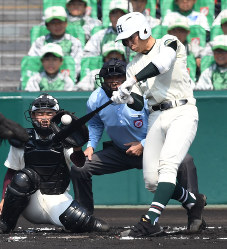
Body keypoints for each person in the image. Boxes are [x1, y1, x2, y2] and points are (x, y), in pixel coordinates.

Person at [71, 58, 200, 224]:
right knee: (80, 168)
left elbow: (160, 122)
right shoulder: (96, 98)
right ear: (103, 80)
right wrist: (90, 146)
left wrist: (143, 144)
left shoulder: (144, 95)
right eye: (109, 78)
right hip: (119, 151)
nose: (114, 81)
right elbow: (95, 123)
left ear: (127, 78)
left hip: (151, 148)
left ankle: (195, 214)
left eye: (119, 77)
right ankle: (84, 218)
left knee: (185, 161)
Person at [111, 12, 206, 237]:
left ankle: (149, 220)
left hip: (182, 111)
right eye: (124, 40)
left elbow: (162, 64)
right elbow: (137, 103)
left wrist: (130, 82)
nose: (128, 43)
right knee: (153, 181)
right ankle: (194, 201)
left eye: (131, 37)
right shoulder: (132, 66)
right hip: (155, 116)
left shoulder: (169, 42)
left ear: (143, 30)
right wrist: (124, 96)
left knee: (168, 166)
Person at [0, 94, 109, 234]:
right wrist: (4, 199)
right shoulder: (22, 139)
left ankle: (84, 220)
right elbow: (11, 172)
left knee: (95, 226)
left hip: (58, 198)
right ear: (33, 116)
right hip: (30, 202)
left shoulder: (66, 138)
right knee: (23, 177)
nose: (44, 117)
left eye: (49, 113)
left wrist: (77, 147)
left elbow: (79, 163)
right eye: (40, 113)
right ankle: (4, 223)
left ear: (56, 116)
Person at [28, 6, 83, 80]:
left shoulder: (74, 42)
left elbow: (77, 65)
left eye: (60, 22)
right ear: (47, 26)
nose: (57, 26)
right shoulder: (39, 42)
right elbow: (34, 63)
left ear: (66, 23)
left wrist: (63, 78)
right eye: (53, 23)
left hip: (69, 80)